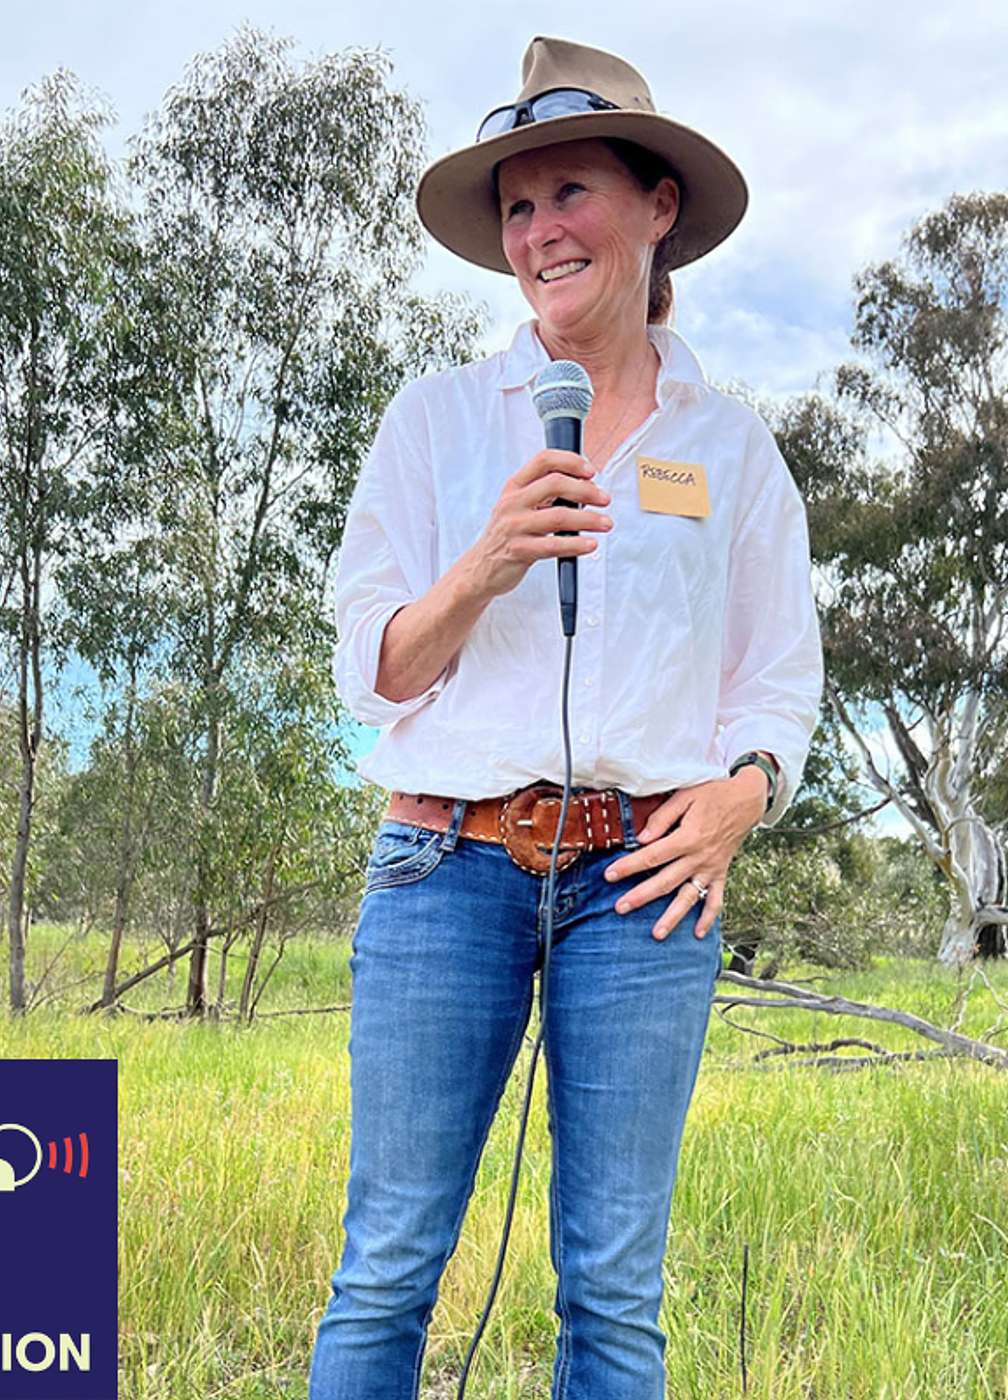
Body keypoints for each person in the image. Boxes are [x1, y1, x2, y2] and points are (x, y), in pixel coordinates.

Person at [309, 35, 823, 1400]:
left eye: (571, 192)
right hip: (442, 869)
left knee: (612, 1286)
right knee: (388, 1266)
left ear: (660, 208)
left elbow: (778, 678)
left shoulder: (733, 453)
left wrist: (742, 794)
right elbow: (376, 673)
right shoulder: (435, 424)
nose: (539, 232)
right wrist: (483, 564)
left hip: (643, 886)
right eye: (518, 208)